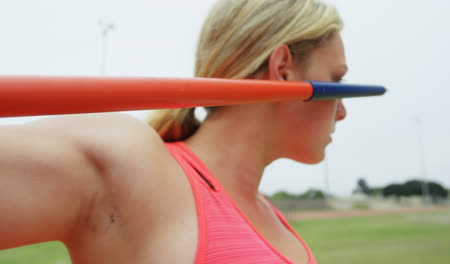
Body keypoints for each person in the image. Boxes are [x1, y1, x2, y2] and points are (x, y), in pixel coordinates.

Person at [0, 0, 347, 263]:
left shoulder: (277, 222)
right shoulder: (136, 169)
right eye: (337, 81)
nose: (342, 111)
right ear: (283, 69)